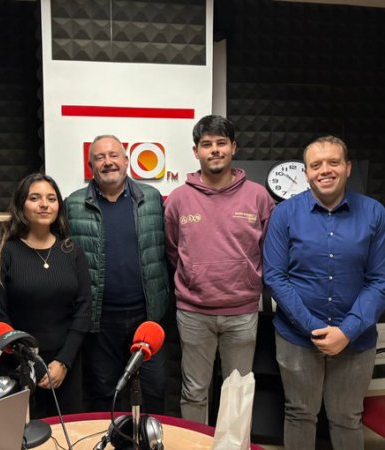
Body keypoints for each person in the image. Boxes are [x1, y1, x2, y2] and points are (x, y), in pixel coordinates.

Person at [263, 136, 385, 450]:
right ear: (306, 173)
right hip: (297, 338)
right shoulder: (284, 214)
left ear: (348, 167)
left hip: (356, 340)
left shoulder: (374, 213)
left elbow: (379, 280)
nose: (324, 170)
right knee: (300, 414)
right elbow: (275, 276)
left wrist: (347, 331)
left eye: (333, 162)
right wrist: (314, 328)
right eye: (316, 165)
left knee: (347, 418)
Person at [164, 114, 275, 423]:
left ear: (233, 147)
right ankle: (195, 444)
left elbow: (269, 249)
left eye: (221, 143)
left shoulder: (258, 196)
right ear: (196, 150)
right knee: (194, 392)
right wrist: (194, 276)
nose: (214, 150)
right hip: (193, 314)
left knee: (237, 394)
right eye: (206, 144)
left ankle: (232, 444)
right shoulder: (179, 199)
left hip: (242, 314)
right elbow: (173, 250)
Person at [65, 135, 169, 414]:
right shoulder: (73, 204)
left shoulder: (151, 198)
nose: (108, 162)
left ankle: (148, 437)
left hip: (147, 318)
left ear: (126, 160)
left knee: (153, 390)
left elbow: (169, 250)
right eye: (100, 157)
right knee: (102, 393)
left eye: (114, 155)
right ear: (91, 166)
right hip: (100, 322)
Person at [0, 173, 92, 418]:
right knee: (22, 435)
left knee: (70, 433)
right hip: (18, 369)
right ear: (21, 204)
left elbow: (84, 309)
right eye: (34, 198)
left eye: (51, 198)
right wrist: (35, 366)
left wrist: (64, 362)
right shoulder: (1, 253)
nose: (44, 204)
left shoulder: (72, 251)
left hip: (67, 367)